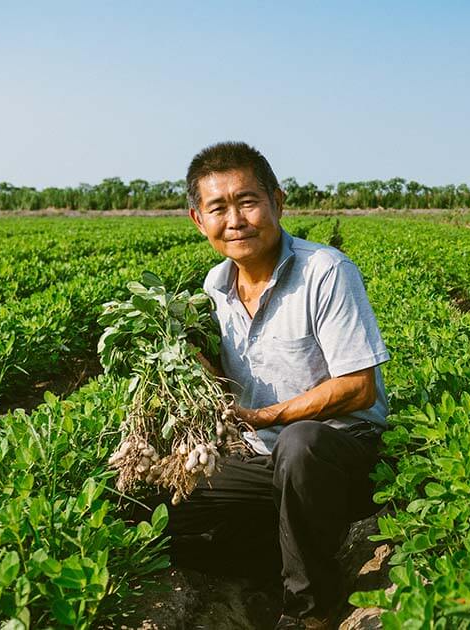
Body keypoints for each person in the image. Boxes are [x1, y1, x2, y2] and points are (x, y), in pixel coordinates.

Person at [167, 141, 390, 630]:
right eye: (218, 208)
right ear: (198, 220)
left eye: (248, 202)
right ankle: (269, 560)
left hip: (338, 455)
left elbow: (359, 388)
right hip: (261, 457)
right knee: (153, 498)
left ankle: (310, 610)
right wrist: (187, 362)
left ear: (277, 202)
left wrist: (267, 416)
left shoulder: (325, 271)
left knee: (300, 443)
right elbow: (225, 383)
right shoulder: (213, 287)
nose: (235, 220)